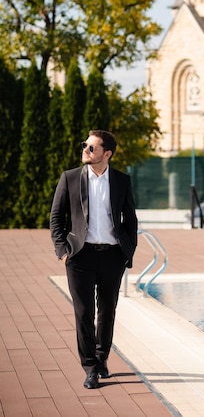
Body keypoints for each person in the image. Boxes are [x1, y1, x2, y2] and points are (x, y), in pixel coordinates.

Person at [50, 130, 138, 389]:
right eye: (85, 146)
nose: (86, 150)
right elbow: (56, 217)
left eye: (92, 147)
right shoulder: (71, 178)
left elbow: (130, 219)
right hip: (80, 256)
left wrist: (127, 252)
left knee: (107, 312)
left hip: (112, 256)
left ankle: (102, 360)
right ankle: (90, 367)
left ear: (107, 154)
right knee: (84, 313)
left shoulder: (122, 181)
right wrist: (62, 251)